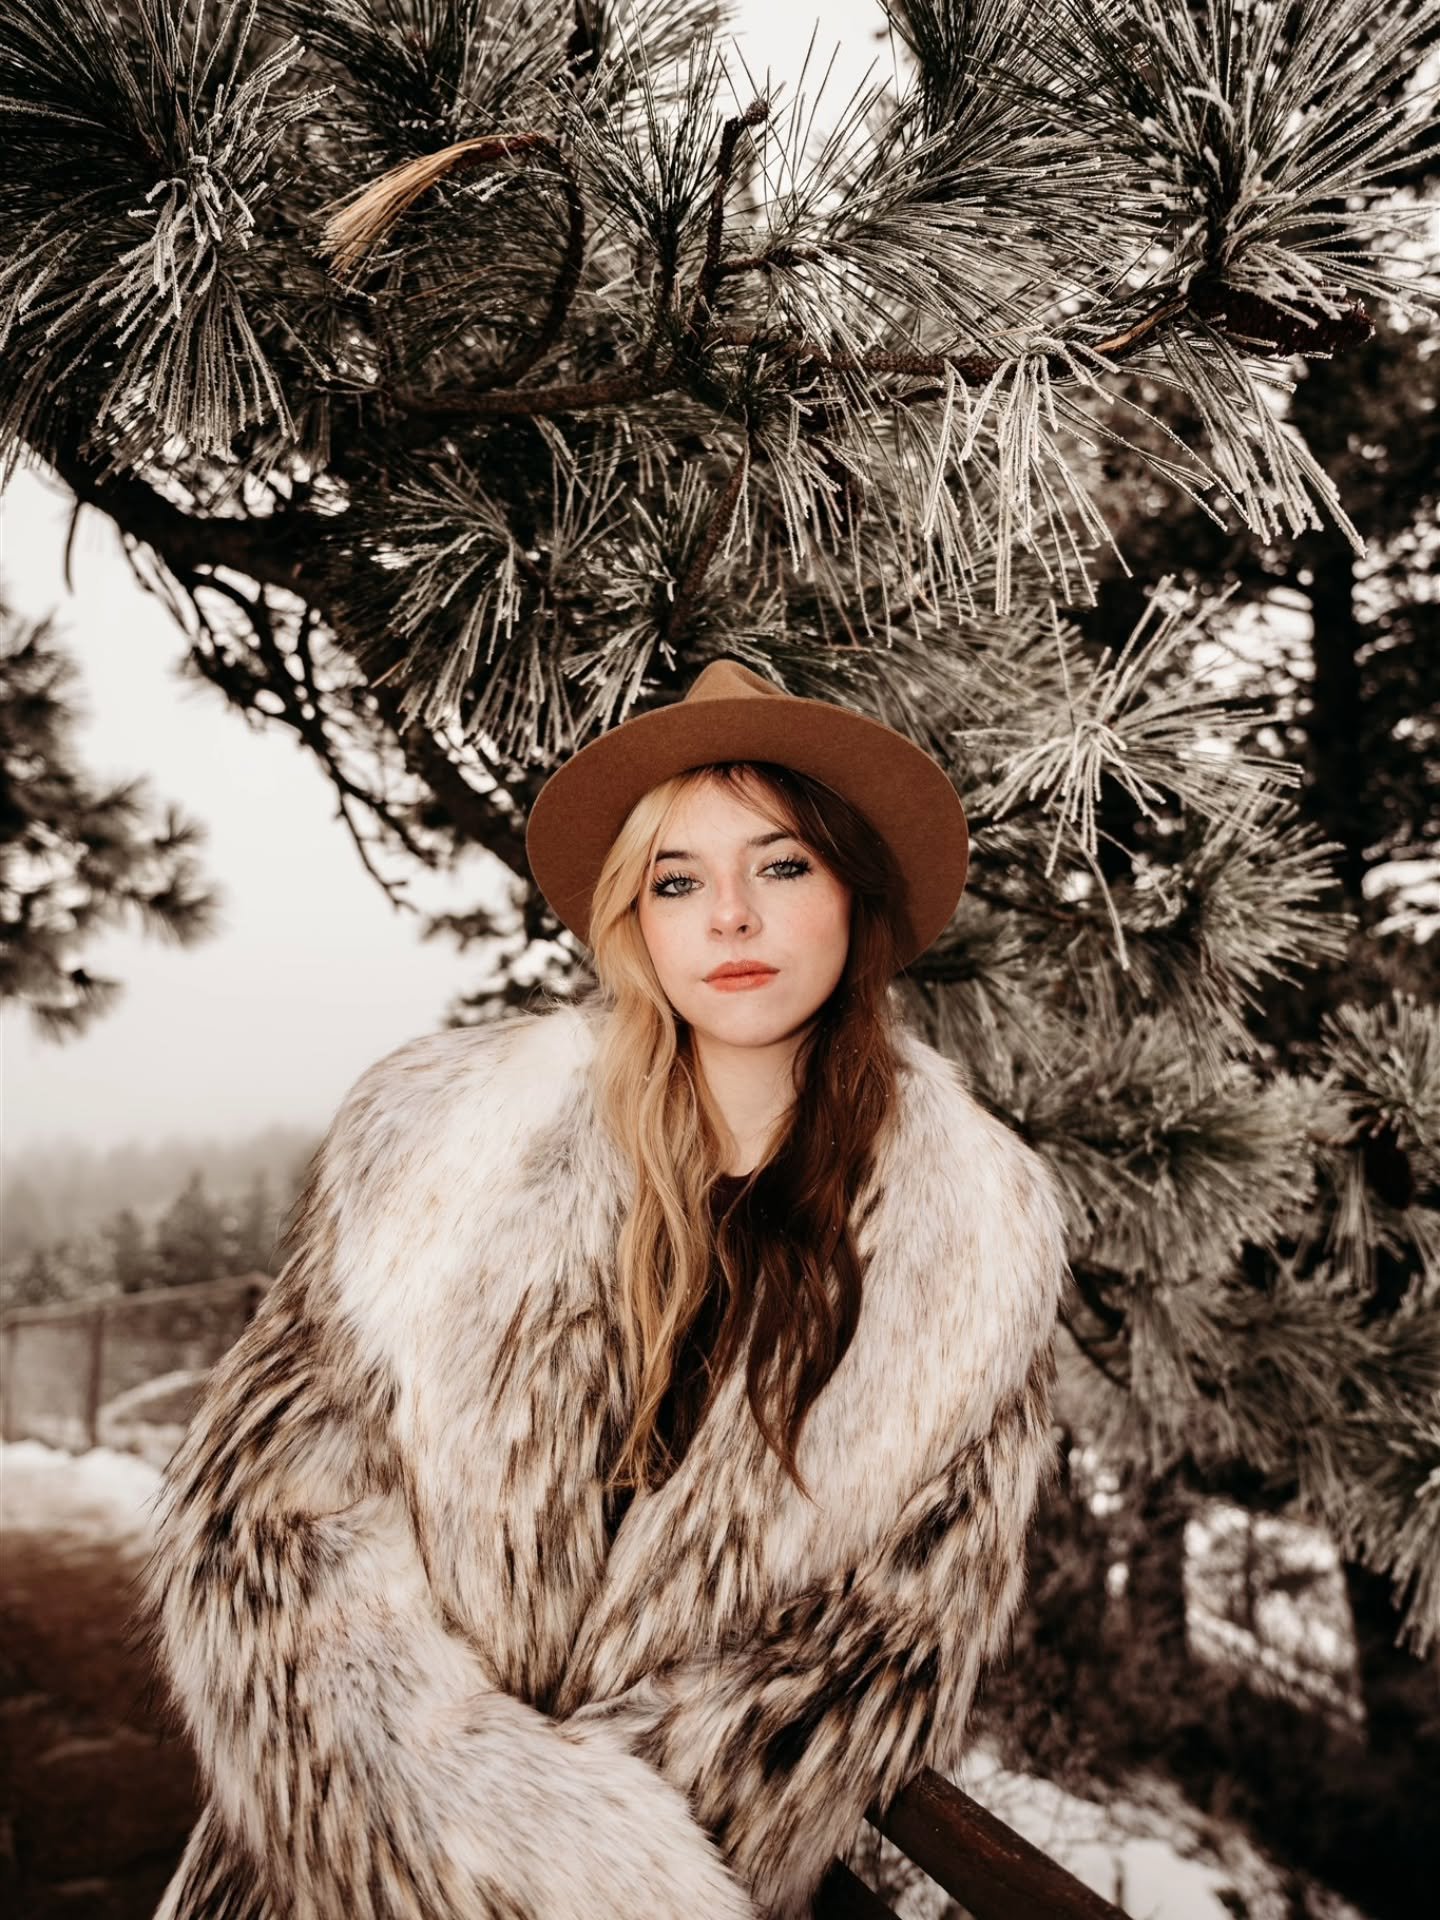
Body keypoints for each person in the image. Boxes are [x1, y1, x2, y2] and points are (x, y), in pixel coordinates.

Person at [142, 657, 1070, 1920]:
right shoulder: (440, 1147)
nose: (729, 916)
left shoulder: (978, 1241)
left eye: (782, 864)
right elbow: (265, 1526)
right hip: (340, 1873)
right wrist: (478, 1824)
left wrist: (616, 1876)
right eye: (678, 880)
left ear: (855, 892)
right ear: (637, 921)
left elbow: (877, 1649)